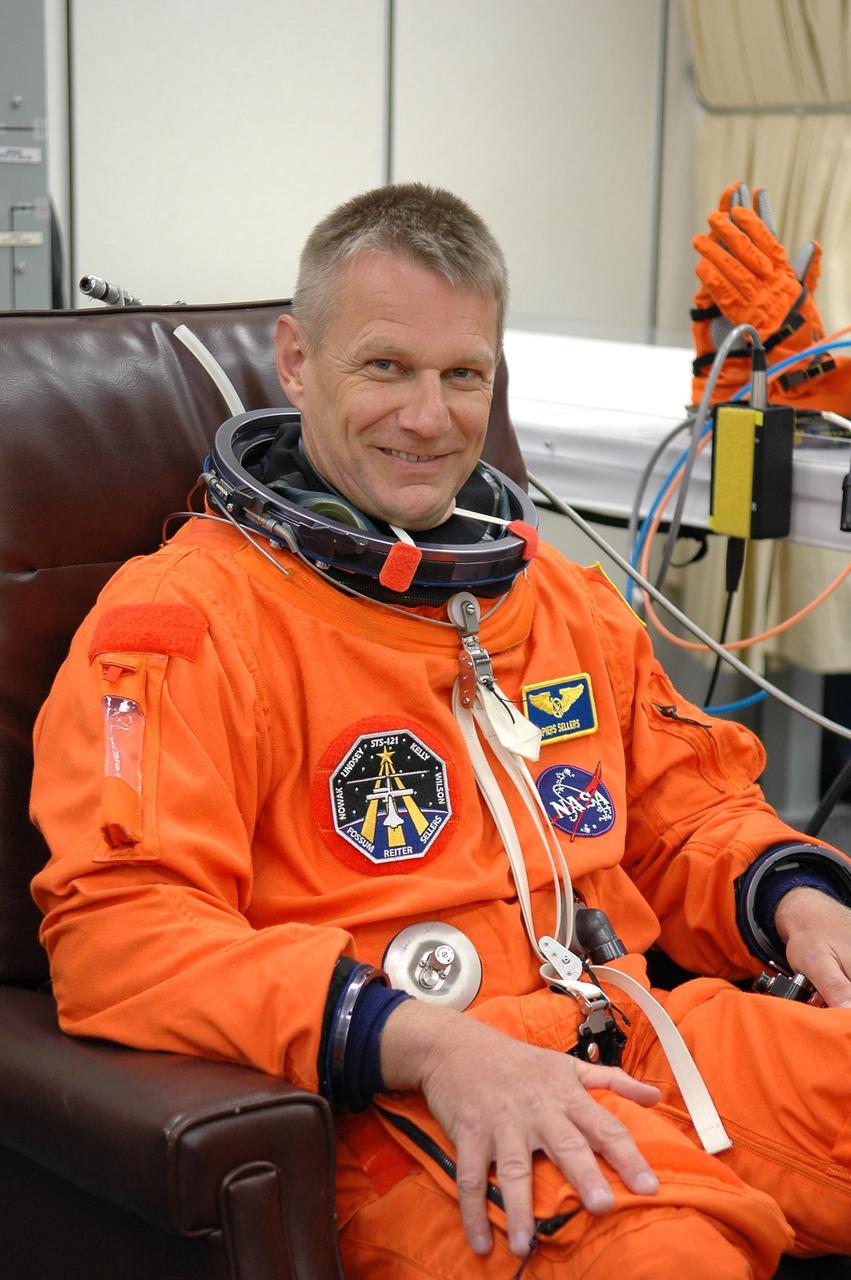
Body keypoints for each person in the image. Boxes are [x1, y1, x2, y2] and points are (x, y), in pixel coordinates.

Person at [30, 183, 851, 1279]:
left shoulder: (556, 599)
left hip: (637, 1026)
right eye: (385, 367)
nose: (430, 416)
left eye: (463, 374)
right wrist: (420, 1038)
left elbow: (684, 807)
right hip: (406, 1095)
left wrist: (794, 900)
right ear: (293, 359)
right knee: (661, 1255)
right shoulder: (180, 627)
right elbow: (119, 934)